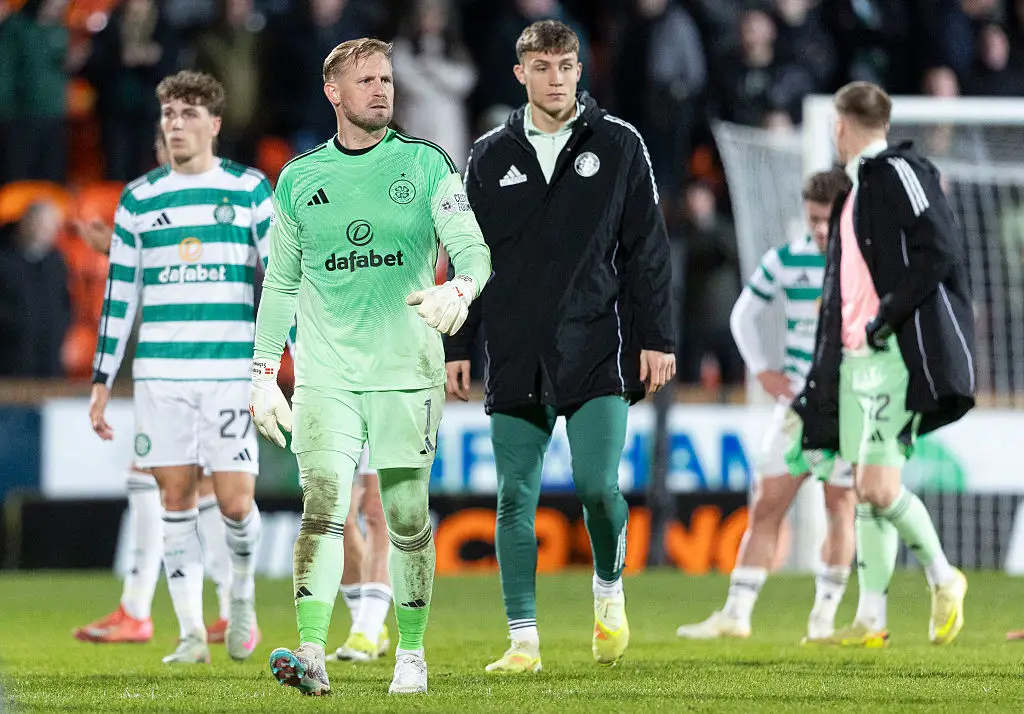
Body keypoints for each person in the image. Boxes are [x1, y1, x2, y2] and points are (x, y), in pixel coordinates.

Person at [250, 38, 490, 696]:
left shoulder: (427, 163)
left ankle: (410, 653)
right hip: (327, 375)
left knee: (406, 515)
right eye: (366, 81)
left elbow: (474, 249)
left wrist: (461, 289)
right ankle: (311, 652)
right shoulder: (299, 179)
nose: (381, 89)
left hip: (407, 373)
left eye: (386, 78)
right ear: (334, 92)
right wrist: (264, 371)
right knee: (323, 506)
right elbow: (279, 285)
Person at [448, 20, 675, 673]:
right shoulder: (490, 155)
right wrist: (459, 342)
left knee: (598, 489)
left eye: (566, 66)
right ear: (520, 73)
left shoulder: (621, 145)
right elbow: (471, 257)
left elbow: (647, 256)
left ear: (580, 70)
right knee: (513, 497)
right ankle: (523, 642)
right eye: (542, 67)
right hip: (516, 350)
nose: (556, 78)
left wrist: (656, 339)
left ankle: (608, 588)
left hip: (596, 346)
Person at [89, 70, 272, 664]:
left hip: (229, 375)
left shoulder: (248, 190)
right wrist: (100, 380)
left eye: (188, 113)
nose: (175, 123)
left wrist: (279, 360)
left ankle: (240, 598)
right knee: (172, 499)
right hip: (161, 376)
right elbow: (120, 295)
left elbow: (282, 280)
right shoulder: (139, 199)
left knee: (237, 501)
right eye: (168, 114)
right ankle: (191, 632)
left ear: (214, 124)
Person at [789, 81, 974, 647]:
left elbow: (940, 247)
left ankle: (946, 578)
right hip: (856, 359)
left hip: (891, 357)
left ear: (840, 126)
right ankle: (871, 619)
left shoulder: (897, 173)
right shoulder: (856, 190)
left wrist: (888, 318)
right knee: (865, 490)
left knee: (876, 486)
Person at [676, 169, 858, 643]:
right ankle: (736, 614)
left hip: (847, 407)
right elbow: (743, 315)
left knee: (841, 509)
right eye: (813, 219)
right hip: (798, 404)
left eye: (827, 219)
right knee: (766, 507)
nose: (820, 229)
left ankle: (823, 620)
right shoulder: (787, 260)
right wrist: (763, 371)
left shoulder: (865, 261)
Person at [72, 127, 237, 646]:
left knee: (181, 480)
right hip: (176, 364)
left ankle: (148, 611)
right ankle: (202, 607)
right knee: (185, 480)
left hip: (204, 361)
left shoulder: (221, 201)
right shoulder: (158, 202)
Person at [329, 449, 393, 662]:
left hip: (381, 416)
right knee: (333, 514)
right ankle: (369, 625)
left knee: (376, 510)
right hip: (333, 416)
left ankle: (367, 629)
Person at [0, 201, 71, 378]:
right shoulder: (4, 258)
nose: (44, 233)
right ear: (24, 223)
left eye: (50, 228)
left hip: (49, 364)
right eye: (39, 225)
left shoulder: (56, 262)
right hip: (9, 362)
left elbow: (65, 304)